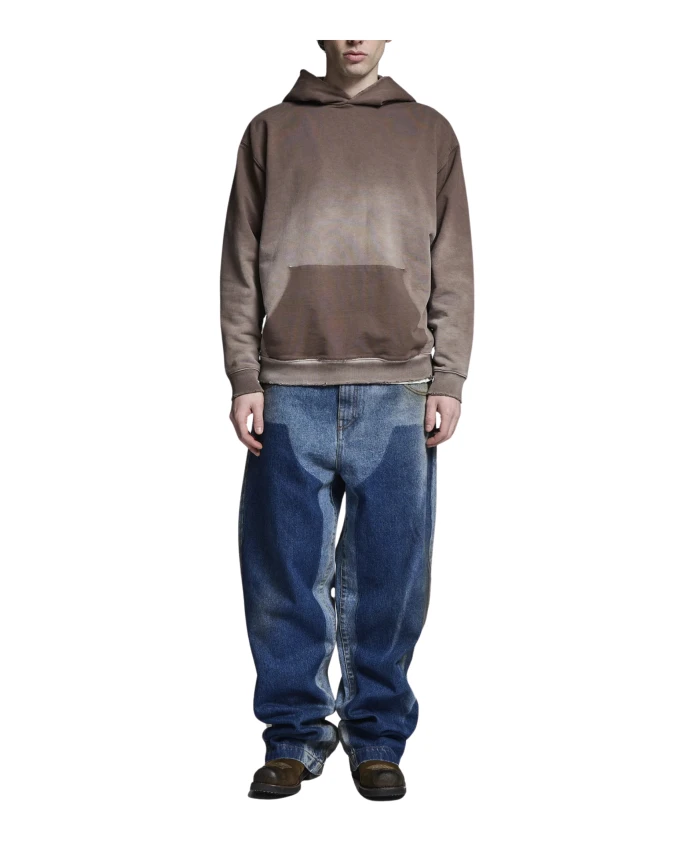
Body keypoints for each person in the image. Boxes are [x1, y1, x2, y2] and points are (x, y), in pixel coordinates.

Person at [220, 39, 474, 800]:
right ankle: (294, 735)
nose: (355, 31)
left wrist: (449, 376)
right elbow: (238, 263)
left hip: (399, 388)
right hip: (288, 384)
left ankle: (378, 738)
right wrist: (243, 375)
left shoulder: (428, 131)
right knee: (283, 575)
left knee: (391, 577)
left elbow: (454, 265)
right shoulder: (271, 130)